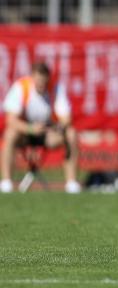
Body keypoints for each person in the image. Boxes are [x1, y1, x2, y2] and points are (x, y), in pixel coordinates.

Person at [1, 61, 81, 194]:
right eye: (38, 80)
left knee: (71, 134)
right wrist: (30, 128)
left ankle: (71, 183)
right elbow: (11, 120)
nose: (41, 84)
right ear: (32, 77)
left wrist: (58, 128)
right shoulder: (22, 87)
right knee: (10, 133)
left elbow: (66, 117)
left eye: (43, 81)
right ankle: (6, 182)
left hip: (48, 133)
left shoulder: (55, 88)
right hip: (25, 132)